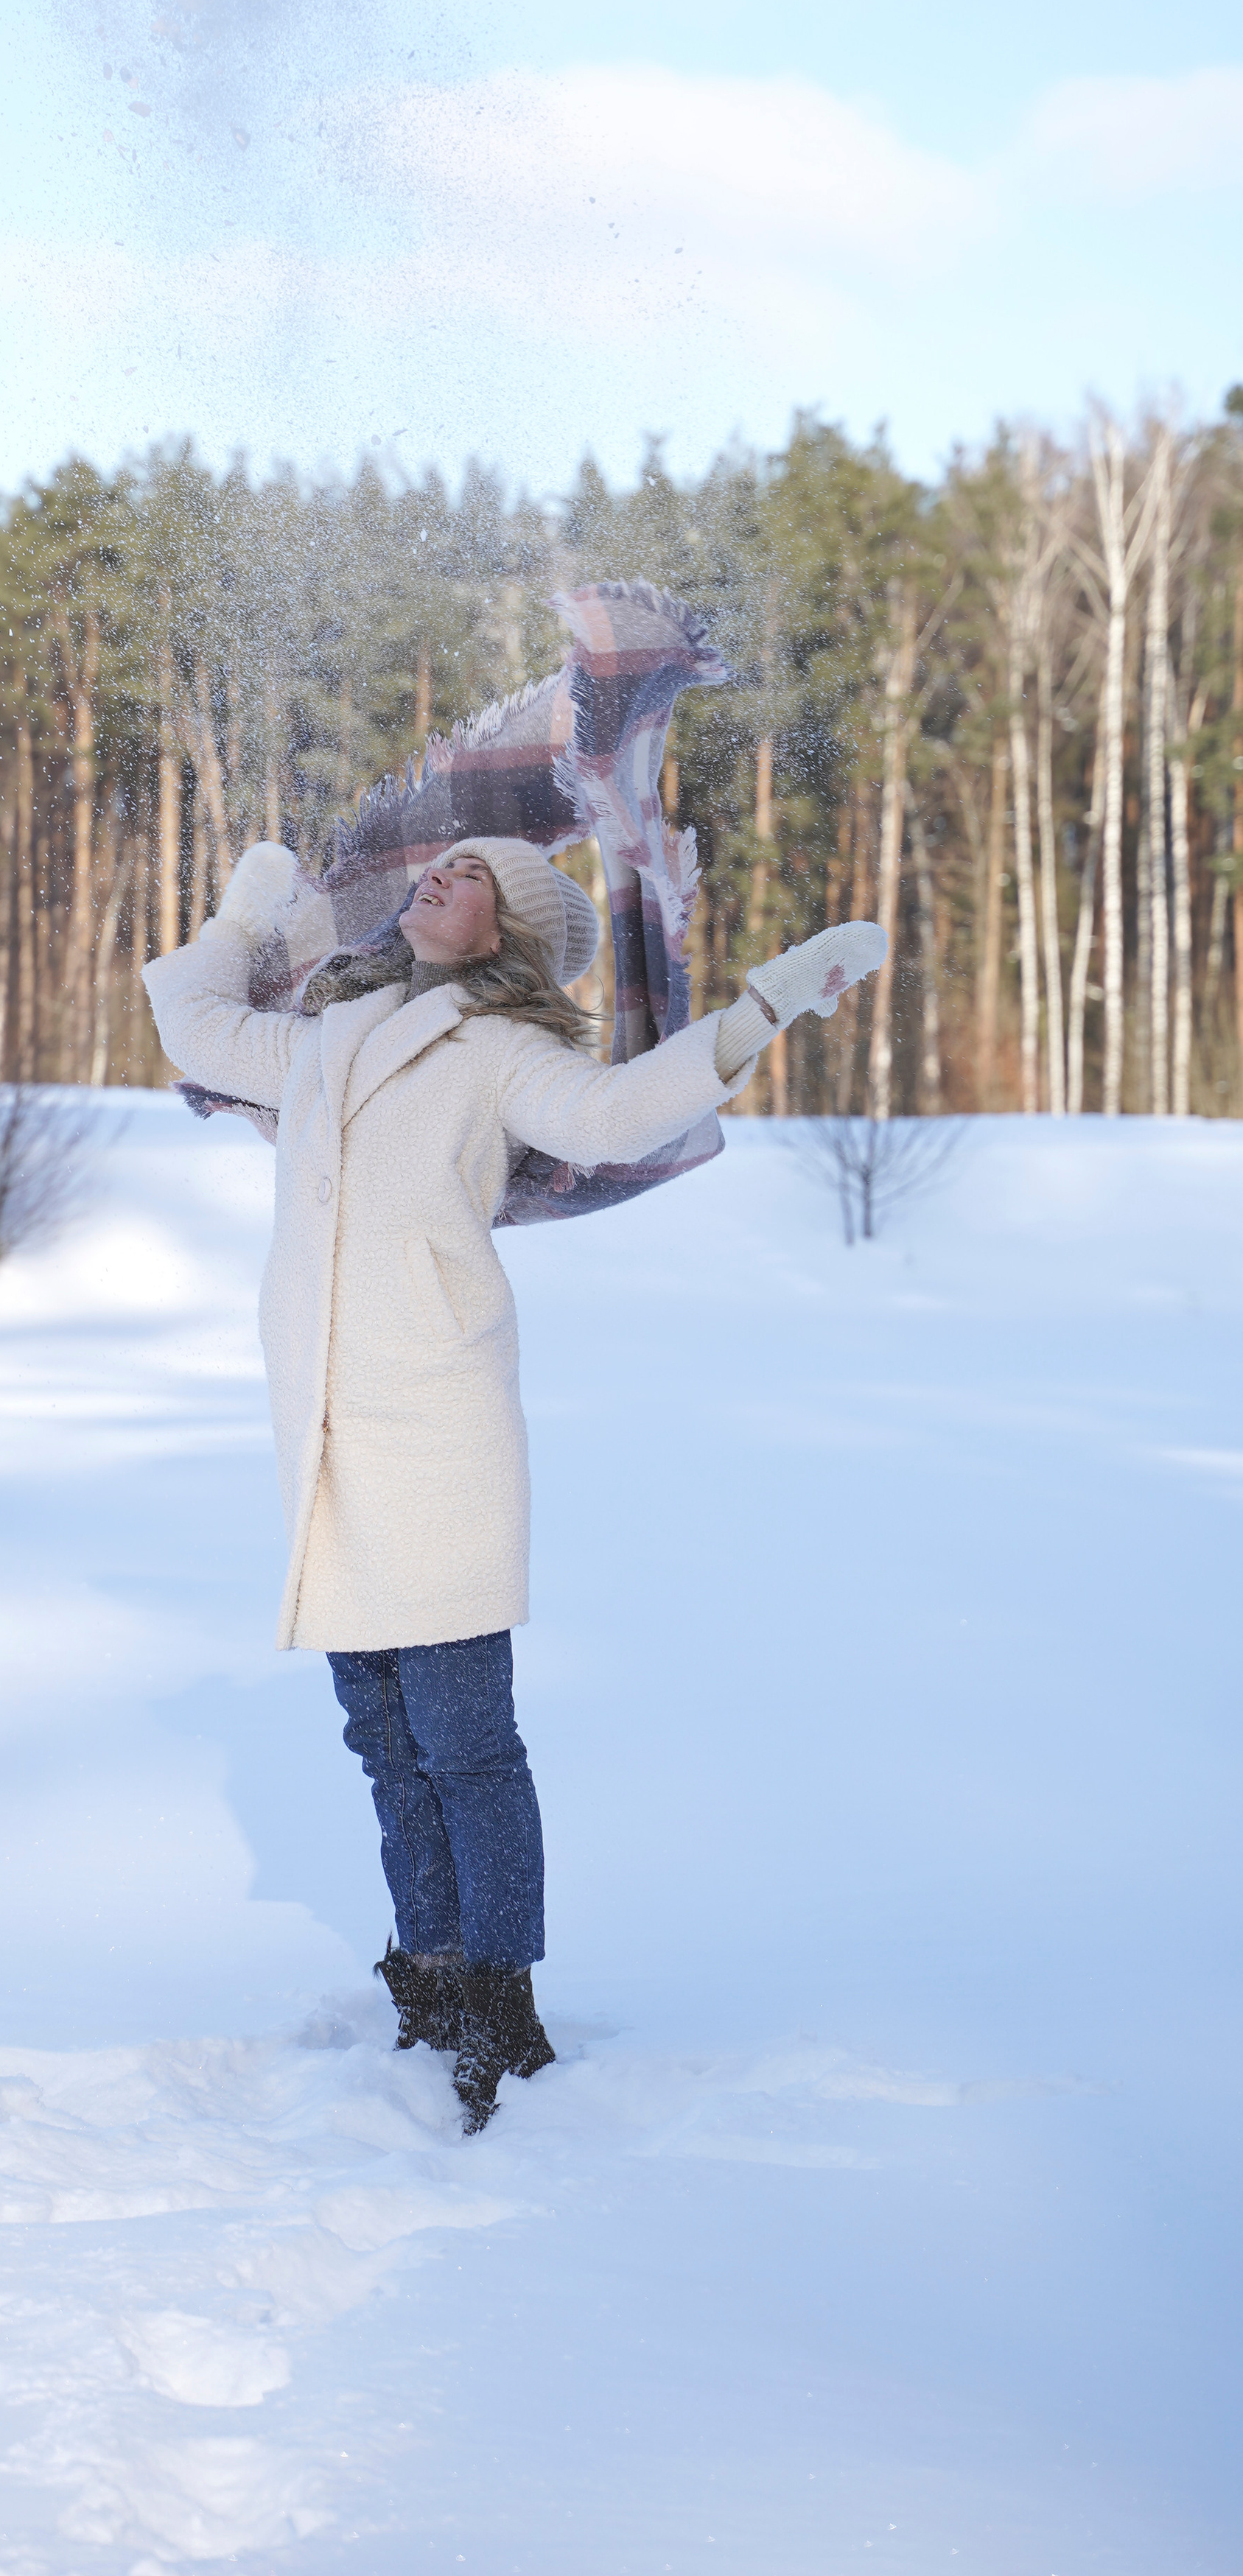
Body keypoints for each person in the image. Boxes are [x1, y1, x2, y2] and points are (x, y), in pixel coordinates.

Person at [144, 834, 883, 2132]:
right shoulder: (326, 1033)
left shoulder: (498, 1054)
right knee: (382, 1743)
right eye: (443, 868)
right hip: (322, 1424)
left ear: (505, 933)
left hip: (433, 1421)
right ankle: (426, 1978)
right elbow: (195, 1025)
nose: (441, 878)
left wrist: (759, 1009)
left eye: (473, 876)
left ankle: (502, 2002)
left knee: (467, 1748)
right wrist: (242, 913)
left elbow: (613, 1115)